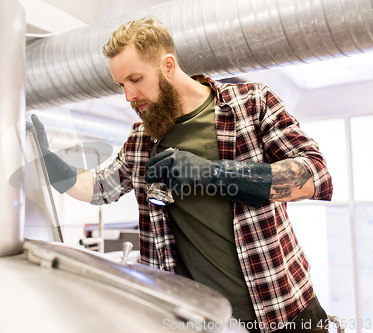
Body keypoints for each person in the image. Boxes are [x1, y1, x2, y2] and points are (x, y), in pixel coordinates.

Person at [31, 16, 333, 332]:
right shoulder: (142, 141)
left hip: (286, 309)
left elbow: (315, 174)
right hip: (206, 321)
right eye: (121, 85)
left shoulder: (251, 105)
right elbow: (97, 188)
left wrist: (213, 174)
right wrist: (47, 160)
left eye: (136, 79)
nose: (128, 96)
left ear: (169, 66)